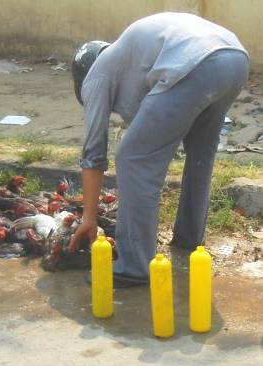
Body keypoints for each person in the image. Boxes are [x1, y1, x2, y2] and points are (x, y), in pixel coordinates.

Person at [68, 12, 249, 287]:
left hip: (196, 62)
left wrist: (89, 217)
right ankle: (190, 241)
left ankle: (133, 265)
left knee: (131, 158)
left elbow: (93, 153)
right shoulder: (131, 59)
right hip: (234, 58)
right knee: (201, 155)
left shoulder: (96, 75)